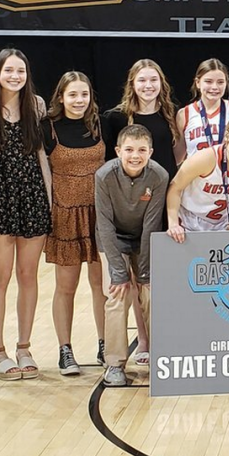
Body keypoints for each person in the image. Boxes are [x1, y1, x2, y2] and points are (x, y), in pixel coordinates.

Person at [0, 48, 51, 381]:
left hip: (33, 196)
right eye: (9, 70)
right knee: (0, 277)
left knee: (28, 275)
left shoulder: (35, 105)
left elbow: (40, 154)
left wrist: (49, 199)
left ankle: (24, 346)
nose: (15, 76)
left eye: (20, 71)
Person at [101, 59, 181, 363]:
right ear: (132, 83)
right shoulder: (117, 118)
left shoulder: (169, 115)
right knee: (134, 280)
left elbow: (178, 154)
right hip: (132, 205)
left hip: (163, 201)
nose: (148, 86)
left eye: (153, 80)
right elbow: (111, 164)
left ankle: (164, 339)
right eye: (142, 80)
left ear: (162, 83)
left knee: (155, 277)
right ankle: (143, 340)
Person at [43, 71, 108, 376]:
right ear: (60, 97)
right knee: (65, 287)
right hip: (65, 215)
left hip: (99, 214)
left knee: (102, 286)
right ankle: (65, 350)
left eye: (84, 94)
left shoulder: (101, 124)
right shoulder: (48, 128)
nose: (79, 100)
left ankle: (106, 344)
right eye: (72, 95)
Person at [96, 125, 168, 387]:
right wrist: (118, 271)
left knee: (150, 293)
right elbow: (103, 224)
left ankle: (162, 358)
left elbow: (151, 224)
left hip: (144, 239)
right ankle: (115, 364)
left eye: (141, 150)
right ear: (118, 151)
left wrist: (145, 273)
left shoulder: (159, 175)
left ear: (150, 151)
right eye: (128, 150)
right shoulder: (104, 175)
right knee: (117, 294)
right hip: (114, 239)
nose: (135, 155)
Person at [166, 114, 229, 237]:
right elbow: (175, 188)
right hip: (189, 223)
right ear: (228, 136)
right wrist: (173, 224)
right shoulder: (206, 158)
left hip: (222, 226)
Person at [177, 58, 229, 158]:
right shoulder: (184, 114)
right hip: (196, 173)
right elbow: (178, 156)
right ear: (198, 83)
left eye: (220, 82)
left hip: (228, 172)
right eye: (208, 81)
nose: (215, 87)